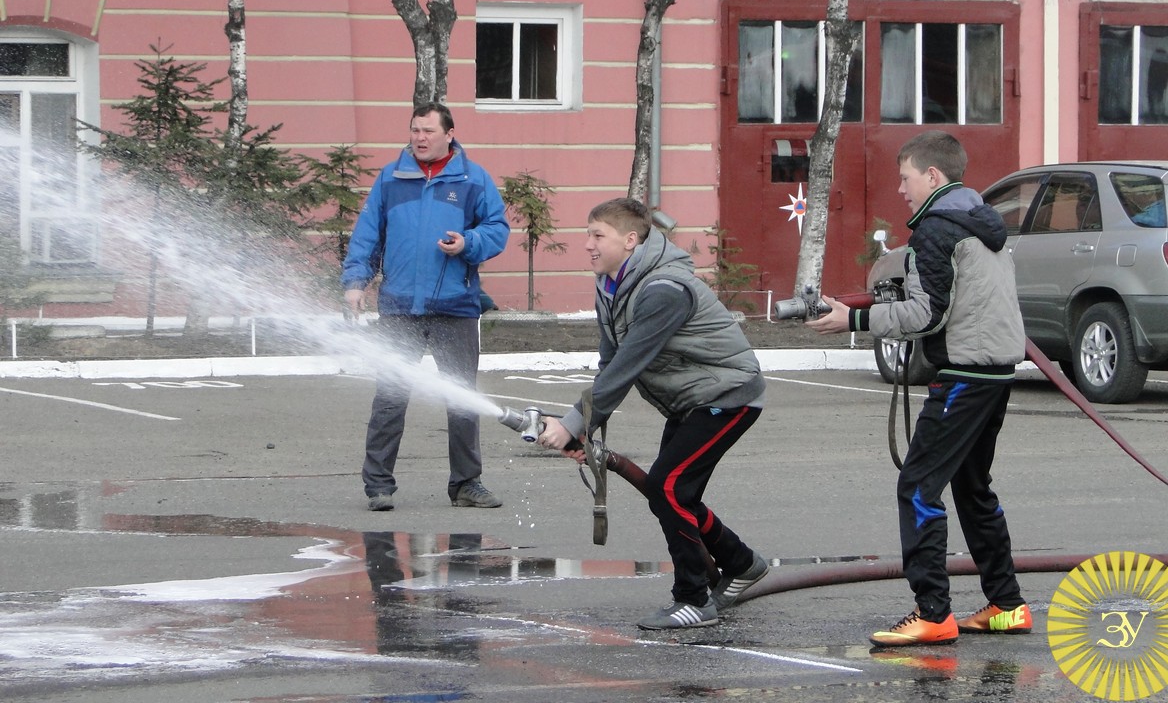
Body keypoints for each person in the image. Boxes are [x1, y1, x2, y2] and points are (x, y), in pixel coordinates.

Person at [808, 130, 1031, 647]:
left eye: (905, 178)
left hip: (965, 375)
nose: (901, 189)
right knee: (973, 489)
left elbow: (927, 314)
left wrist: (856, 319)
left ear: (932, 177)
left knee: (917, 486)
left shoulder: (937, 227)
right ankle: (1006, 604)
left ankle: (932, 611)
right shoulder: (979, 222)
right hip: (994, 372)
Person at [536, 198, 769, 630]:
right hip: (691, 399)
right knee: (673, 493)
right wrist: (585, 430)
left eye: (597, 235)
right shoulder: (610, 283)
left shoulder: (663, 290)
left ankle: (694, 600)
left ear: (630, 240)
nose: (587, 244)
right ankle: (741, 564)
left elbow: (628, 366)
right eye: (587, 234)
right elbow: (611, 364)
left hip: (728, 396)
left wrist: (571, 424)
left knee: (667, 489)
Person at [342, 102, 510, 512]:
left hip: (456, 307)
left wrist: (467, 244)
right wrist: (355, 282)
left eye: (428, 131)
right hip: (399, 308)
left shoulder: (474, 179)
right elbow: (367, 236)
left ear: (449, 134)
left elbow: (497, 230)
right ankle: (378, 486)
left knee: (461, 399)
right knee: (389, 398)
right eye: (414, 130)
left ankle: (467, 484)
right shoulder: (390, 178)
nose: (419, 138)